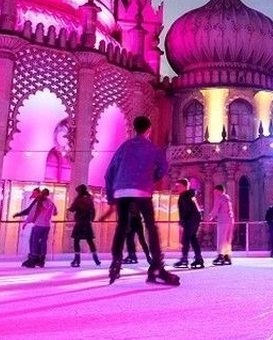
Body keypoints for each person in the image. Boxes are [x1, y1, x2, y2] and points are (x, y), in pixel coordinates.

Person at [104, 115, 179, 286]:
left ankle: (115, 263)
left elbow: (108, 173)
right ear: (149, 129)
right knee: (151, 227)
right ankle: (157, 267)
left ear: (134, 128)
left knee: (121, 226)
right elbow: (164, 167)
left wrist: (111, 197)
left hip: (121, 191)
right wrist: (152, 178)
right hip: (142, 190)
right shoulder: (151, 147)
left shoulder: (124, 147)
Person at [20, 188, 58, 268]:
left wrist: (26, 223)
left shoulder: (39, 202)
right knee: (43, 242)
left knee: (33, 241)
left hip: (38, 225)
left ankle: (33, 259)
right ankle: (41, 260)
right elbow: (55, 212)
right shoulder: (51, 203)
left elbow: (32, 213)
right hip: (47, 225)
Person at [67, 184, 101, 267]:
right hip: (87, 222)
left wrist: (67, 210)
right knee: (90, 241)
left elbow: (73, 208)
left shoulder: (78, 199)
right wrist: (91, 219)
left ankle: (77, 259)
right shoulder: (90, 198)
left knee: (76, 241)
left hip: (80, 222)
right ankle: (96, 259)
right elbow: (93, 210)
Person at [173, 177, 204, 269]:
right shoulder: (189, 195)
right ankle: (198, 258)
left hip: (190, 220)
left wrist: (182, 220)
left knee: (185, 239)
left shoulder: (184, 195)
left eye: (178, 186)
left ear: (184, 186)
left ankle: (184, 259)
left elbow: (186, 210)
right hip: (194, 220)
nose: (177, 188)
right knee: (193, 238)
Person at [206, 184, 235, 265]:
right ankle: (227, 256)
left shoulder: (219, 198)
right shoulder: (227, 198)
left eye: (215, 191)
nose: (214, 193)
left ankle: (220, 256)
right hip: (230, 221)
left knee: (221, 238)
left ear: (220, 191)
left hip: (223, 221)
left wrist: (209, 218)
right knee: (227, 239)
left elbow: (215, 210)